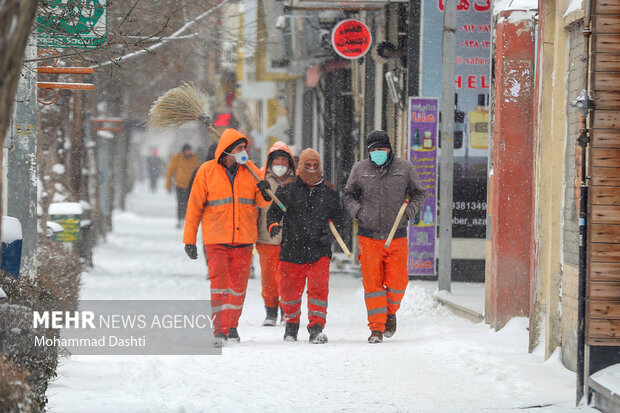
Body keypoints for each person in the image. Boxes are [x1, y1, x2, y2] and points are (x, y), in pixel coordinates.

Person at [183, 129, 272, 347]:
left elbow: (262, 202)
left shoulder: (250, 170)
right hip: (216, 239)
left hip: (244, 239)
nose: (244, 152)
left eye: (245, 148)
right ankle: (219, 330)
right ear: (227, 151)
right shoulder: (206, 171)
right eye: (240, 149)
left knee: (238, 288)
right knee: (219, 286)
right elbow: (194, 208)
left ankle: (232, 325)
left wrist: (265, 191)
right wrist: (189, 239)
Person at [343, 130, 426, 344]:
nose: (377, 153)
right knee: (373, 285)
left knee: (398, 282)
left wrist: (409, 212)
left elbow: (418, 193)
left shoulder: (405, 168)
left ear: (389, 148)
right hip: (368, 236)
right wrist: (358, 212)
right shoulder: (359, 169)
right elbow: (349, 194)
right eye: (373, 150)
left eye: (381, 148)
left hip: (396, 235)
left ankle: (389, 312)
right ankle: (377, 329)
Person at [266, 149, 344, 344]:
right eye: (307, 166)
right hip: (292, 249)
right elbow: (273, 212)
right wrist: (273, 225)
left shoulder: (330, 191)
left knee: (319, 290)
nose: (311, 169)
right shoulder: (286, 188)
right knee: (289, 291)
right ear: (300, 166)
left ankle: (316, 328)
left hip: (319, 251)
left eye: (315, 166)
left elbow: (339, 218)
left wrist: (331, 234)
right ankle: (291, 325)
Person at [256, 141, 296, 326]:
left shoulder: (296, 182)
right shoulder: (261, 179)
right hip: (267, 237)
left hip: (290, 238)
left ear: (289, 163)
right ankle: (270, 311)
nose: (280, 164)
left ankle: (286, 311)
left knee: (287, 279)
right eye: (277, 160)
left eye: (283, 160)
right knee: (269, 278)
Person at [165, 143, 201, 228]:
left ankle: (187, 220)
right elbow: (170, 171)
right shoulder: (177, 158)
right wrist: (168, 185)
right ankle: (179, 220)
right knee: (180, 203)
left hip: (190, 185)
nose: (189, 152)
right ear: (184, 151)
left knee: (189, 204)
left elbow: (199, 171)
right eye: (187, 150)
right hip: (179, 185)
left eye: (190, 150)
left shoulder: (194, 158)